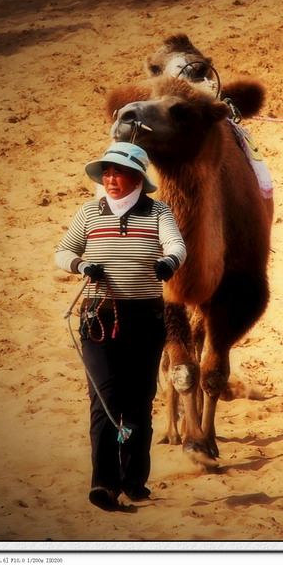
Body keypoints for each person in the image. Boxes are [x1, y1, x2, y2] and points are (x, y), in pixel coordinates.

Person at [55, 142, 186, 511]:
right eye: (107, 172)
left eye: (121, 172)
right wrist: (80, 266)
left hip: (146, 317)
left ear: (138, 179)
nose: (111, 179)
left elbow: (177, 244)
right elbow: (62, 251)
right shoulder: (88, 213)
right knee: (105, 399)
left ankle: (134, 479)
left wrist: (169, 262)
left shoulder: (159, 212)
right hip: (99, 318)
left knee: (138, 402)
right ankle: (104, 484)